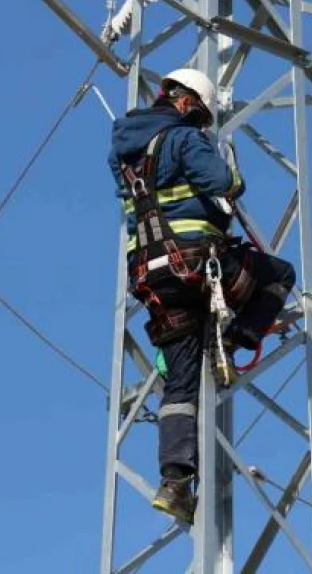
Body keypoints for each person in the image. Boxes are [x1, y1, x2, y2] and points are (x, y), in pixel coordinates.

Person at [107, 68, 296, 524]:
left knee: (180, 385)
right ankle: (231, 344)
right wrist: (225, 164)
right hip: (197, 265)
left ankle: (174, 484)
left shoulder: (124, 154)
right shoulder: (186, 139)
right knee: (277, 275)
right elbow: (224, 185)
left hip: (152, 280)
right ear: (189, 102)